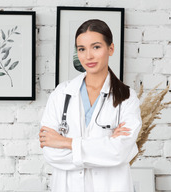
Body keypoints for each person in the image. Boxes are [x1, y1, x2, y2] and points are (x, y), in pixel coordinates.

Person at [39, 19, 142, 192]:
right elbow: (51, 153)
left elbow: (119, 152)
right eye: (81, 49)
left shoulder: (127, 97)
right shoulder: (61, 94)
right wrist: (104, 146)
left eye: (96, 47)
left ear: (111, 49)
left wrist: (65, 142)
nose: (88, 56)